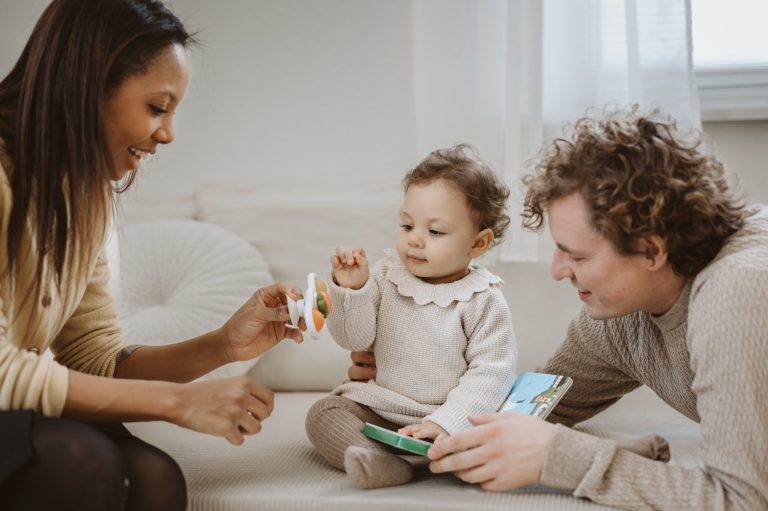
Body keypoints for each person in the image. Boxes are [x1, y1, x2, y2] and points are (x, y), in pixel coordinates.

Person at [0, 1, 306, 510]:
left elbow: (95, 360)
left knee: (155, 477)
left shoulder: (85, 195)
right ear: (87, 87)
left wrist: (224, 346)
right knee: (82, 466)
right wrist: (178, 403)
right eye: (157, 107)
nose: (168, 134)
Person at [410, 107, 767, 509]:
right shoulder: (623, 317)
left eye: (576, 256)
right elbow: (529, 410)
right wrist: (409, 381)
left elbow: (744, 501)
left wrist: (558, 457)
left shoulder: (739, 293)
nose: (558, 271)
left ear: (651, 250)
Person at [305, 144, 518, 489]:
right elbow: (353, 339)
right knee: (324, 414)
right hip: (383, 407)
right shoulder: (387, 275)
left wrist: (447, 423)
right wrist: (353, 290)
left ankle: (438, 453)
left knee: (487, 440)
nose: (415, 241)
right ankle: (378, 461)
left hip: (448, 417)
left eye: (435, 232)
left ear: (478, 244)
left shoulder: (483, 299)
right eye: (407, 226)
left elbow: (492, 372)